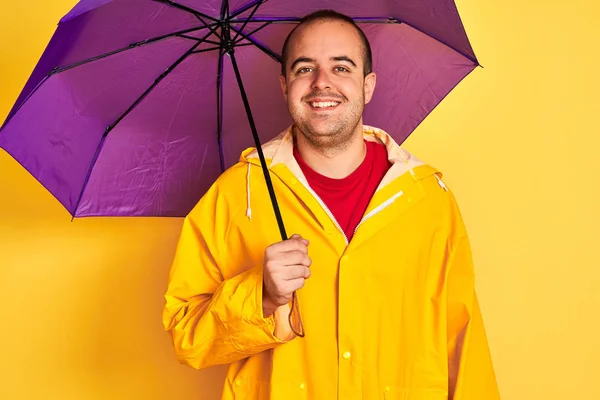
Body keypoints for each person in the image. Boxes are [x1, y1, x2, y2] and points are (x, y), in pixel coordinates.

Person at [162, 9, 500, 400]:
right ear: (284, 84)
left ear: (368, 85)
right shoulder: (237, 194)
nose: (322, 83)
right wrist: (262, 296)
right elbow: (186, 336)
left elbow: (463, 340)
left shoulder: (427, 199)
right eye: (305, 69)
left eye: (341, 68)